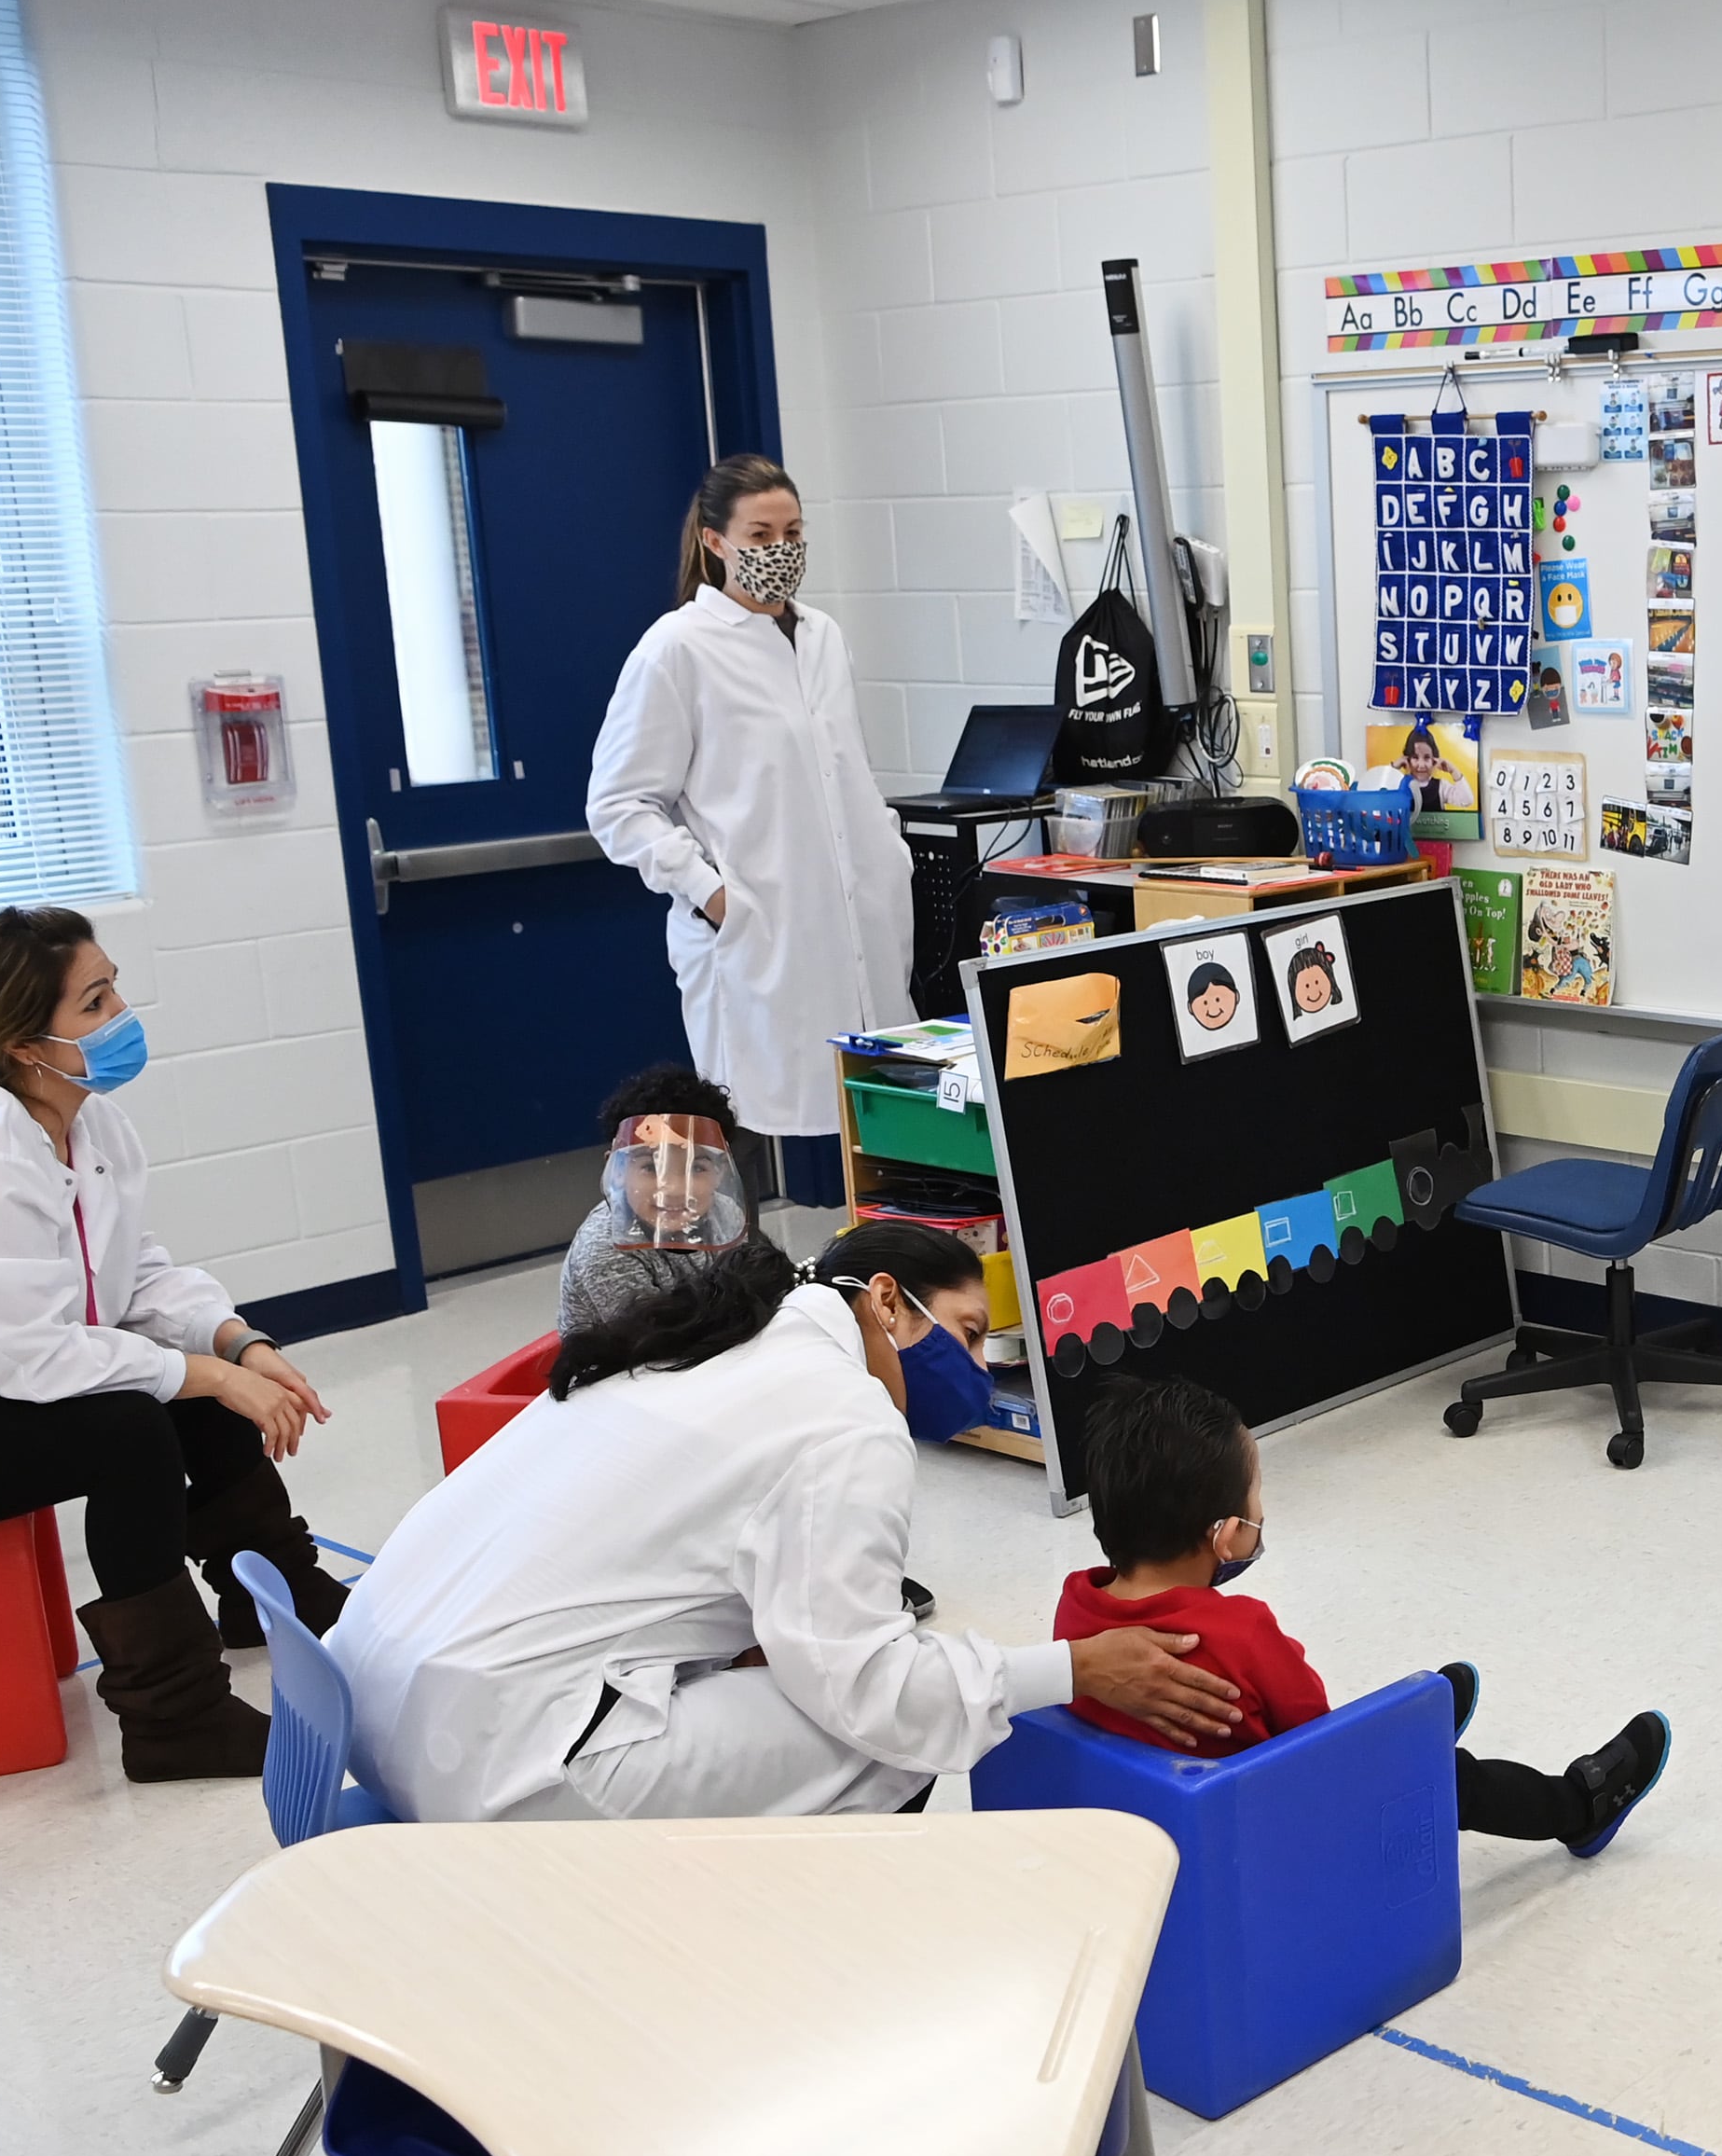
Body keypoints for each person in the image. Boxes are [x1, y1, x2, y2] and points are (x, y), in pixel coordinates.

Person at [335, 1232, 1233, 1820]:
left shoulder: (711, 1344)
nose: (972, 1369)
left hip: (374, 1711)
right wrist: (1074, 1669)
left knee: (811, 1688)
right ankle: (800, 1988)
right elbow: (874, 1694)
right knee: (883, 1746)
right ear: (886, 1300)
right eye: (964, 1334)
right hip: (496, 1769)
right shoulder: (845, 1417)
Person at [0, 907, 350, 1776]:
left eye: (114, 987)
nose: (124, 1015)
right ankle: (174, 1720)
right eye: (96, 1003)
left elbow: (133, 1281)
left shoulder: (85, 1118)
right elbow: (37, 1361)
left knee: (188, 1382)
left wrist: (237, 1341)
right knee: (131, 1427)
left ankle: (284, 1600)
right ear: (25, 1044)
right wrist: (205, 1373)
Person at [1061, 1373, 1672, 1856]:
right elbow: (1316, 1740)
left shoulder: (1077, 1608)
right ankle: (1578, 1806)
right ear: (1225, 1536)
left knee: (1383, 1736)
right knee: (1452, 1778)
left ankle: (1411, 1724)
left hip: (1164, 1816)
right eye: (1256, 1498)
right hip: (1267, 1825)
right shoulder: (1242, 1630)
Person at [585, 454, 913, 1201]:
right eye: (760, 533)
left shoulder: (824, 635)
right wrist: (712, 894)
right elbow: (618, 804)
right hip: (755, 936)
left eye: (793, 530)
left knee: (874, 1116)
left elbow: (842, 771)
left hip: (856, 922)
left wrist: (885, 855)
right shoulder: (678, 648)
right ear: (715, 543)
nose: (781, 548)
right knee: (753, 1129)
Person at [557, 1064, 750, 1338]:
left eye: (696, 1168)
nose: (672, 1189)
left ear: (721, 1171)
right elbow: (659, 1343)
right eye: (651, 1167)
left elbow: (743, 1291)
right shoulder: (604, 1249)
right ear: (619, 1170)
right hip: (623, 1369)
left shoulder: (724, 1211)